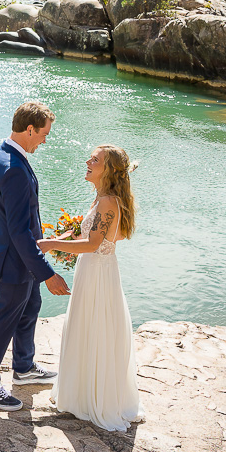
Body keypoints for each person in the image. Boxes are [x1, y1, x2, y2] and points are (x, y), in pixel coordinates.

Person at [0, 102, 70, 411]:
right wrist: (47, 273)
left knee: (31, 307)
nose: (44, 141)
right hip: (15, 262)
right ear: (29, 130)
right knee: (3, 321)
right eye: (43, 135)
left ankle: (23, 368)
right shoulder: (14, 169)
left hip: (19, 257)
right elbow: (19, 232)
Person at [37, 145, 144, 431]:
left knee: (93, 328)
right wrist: (70, 233)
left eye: (94, 160)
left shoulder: (108, 201)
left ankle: (90, 399)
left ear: (107, 170)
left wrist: (51, 244)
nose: (88, 161)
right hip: (97, 270)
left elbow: (93, 244)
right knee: (91, 328)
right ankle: (84, 395)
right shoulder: (104, 197)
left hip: (97, 272)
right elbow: (98, 234)